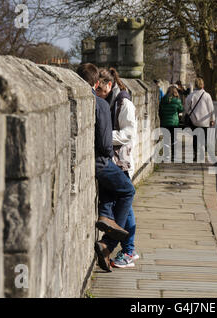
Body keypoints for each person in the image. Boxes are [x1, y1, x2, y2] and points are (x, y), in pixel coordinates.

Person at [77, 63, 136, 272]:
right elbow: (104, 144)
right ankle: (109, 243)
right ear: (95, 83)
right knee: (128, 190)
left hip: (87, 163)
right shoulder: (100, 104)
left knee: (112, 189)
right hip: (101, 162)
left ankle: (105, 215)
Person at [95, 67, 139, 268]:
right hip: (110, 159)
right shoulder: (107, 100)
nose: (98, 95)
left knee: (126, 204)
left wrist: (104, 137)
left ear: (109, 85)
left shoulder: (124, 103)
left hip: (120, 159)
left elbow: (128, 133)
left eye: (101, 91)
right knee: (123, 204)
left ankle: (127, 250)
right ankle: (125, 249)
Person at [184, 77, 215, 161]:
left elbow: (186, 109)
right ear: (203, 85)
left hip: (194, 121)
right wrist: (212, 119)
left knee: (195, 138)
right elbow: (211, 109)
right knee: (204, 138)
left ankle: (196, 155)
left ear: (195, 85)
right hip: (205, 121)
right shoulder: (207, 95)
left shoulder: (191, 96)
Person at [159, 86, 184, 160]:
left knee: (166, 140)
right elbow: (181, 109)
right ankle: (174, 155)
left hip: (164, 122)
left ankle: (166, 155)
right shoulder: (177, 100)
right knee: (174, 139)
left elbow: (160, 110)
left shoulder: (163, 99)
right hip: (174, 123)